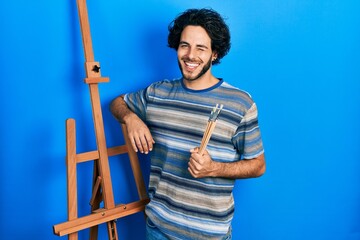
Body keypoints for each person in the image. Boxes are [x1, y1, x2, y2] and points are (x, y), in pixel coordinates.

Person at [110, 8, 265, 240]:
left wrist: (215, 168)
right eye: (185, 45)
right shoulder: (157, 93)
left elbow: (258, 165)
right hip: (158, 230)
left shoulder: (240, 103)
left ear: (214, 53)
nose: (190, 55)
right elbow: (117, 103)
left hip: (210, 235)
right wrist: (130, 118)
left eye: (201, 48)